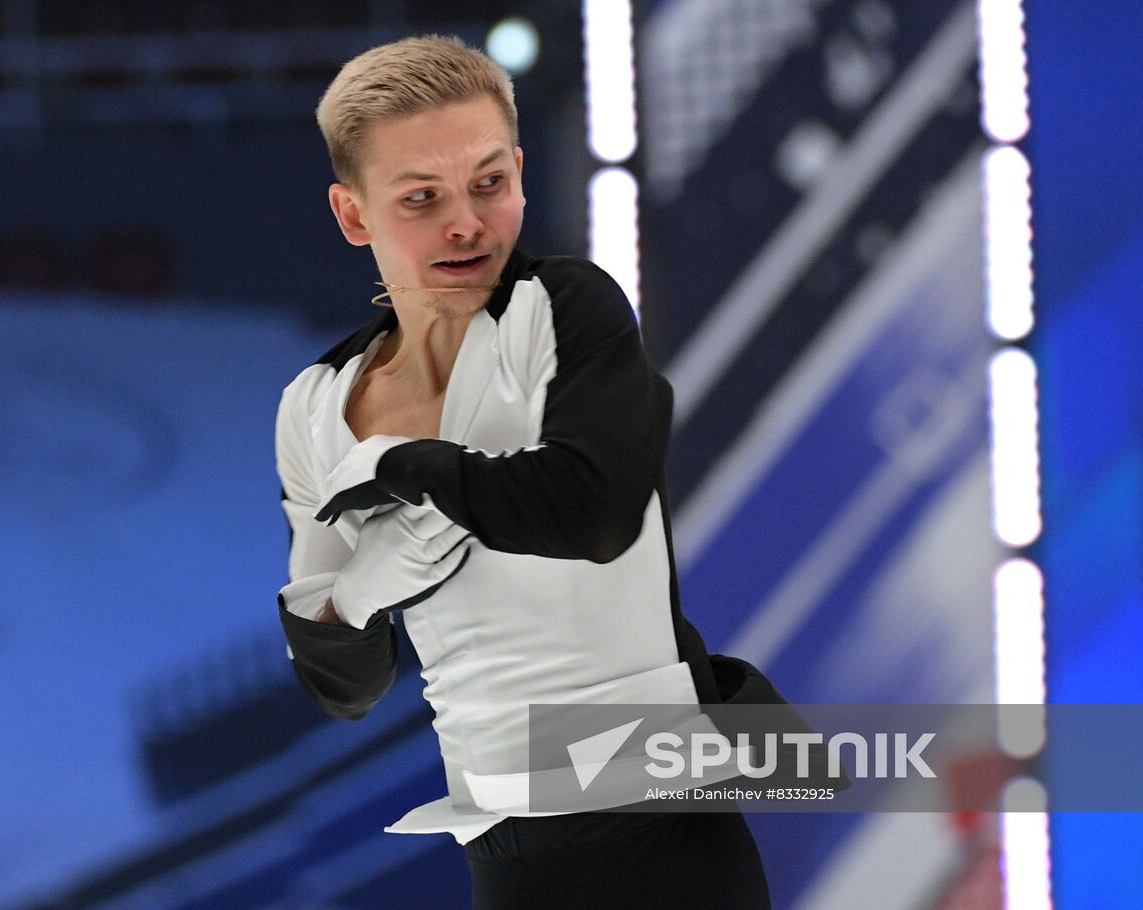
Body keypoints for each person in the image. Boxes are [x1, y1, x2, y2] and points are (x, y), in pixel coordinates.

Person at [273, 35, 772, 909]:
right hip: (504, 845)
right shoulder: (314, 407)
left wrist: (412, 465)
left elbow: (596, 510)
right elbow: (340, 682)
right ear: (354, 216)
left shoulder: (565, 307)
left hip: (662, 812)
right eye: (422, 197)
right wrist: (354, 599)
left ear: (520, 174)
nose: (466, 221)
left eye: (489, 182)